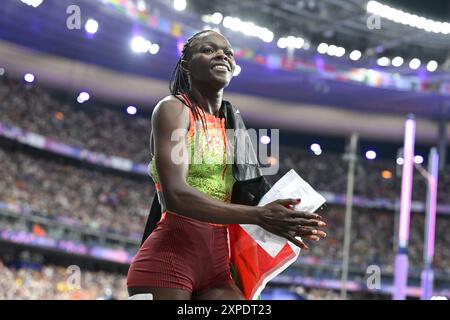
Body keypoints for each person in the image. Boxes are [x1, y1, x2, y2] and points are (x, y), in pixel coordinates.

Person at [126, 30, 327, 300]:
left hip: (218, 270)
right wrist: (259, 216)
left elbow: (252, 191)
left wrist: (289, 217)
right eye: (209, 50)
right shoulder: (173, 110)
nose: (221, 54)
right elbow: (175, 195)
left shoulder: (232, 123)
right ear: (186, 65)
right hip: (169, 260)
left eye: (228, 53)